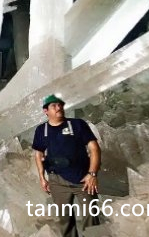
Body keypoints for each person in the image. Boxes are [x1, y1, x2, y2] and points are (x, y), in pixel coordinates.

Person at [32, 94, 101, 237]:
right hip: (57, 181)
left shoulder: (77, 124)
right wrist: (42, 177)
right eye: (54, 106)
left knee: (91, 217)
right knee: (64, 220)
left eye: (60, 105)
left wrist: (92, 174)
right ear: (46, 111)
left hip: (83, 180)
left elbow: (94, 148)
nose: (59, 108)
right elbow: (38, 153)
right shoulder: (41, 130)